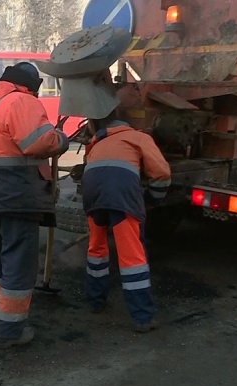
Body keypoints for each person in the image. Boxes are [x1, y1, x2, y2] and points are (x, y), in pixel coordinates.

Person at [0, 62, 69, 348]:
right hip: (15, 196)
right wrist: (60, 138)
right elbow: (38, 142)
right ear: (31, 85)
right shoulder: (20, 101)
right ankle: (9, 332)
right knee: (19, 264)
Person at [63, 71, 171, 333]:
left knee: (97, 249)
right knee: (132, 256)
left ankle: (96, 301)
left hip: (93, 196)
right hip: (121, 198)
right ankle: (142, 317)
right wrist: (151, 200)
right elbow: (162, 173)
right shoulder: (139, 137)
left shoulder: (96, 142)